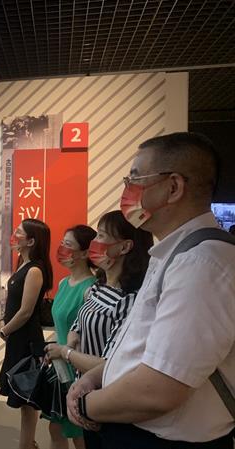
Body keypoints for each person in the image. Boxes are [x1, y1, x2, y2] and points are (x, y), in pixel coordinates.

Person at [67, 132, 235, 448]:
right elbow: (141, 348)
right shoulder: (172, 253)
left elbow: (159, 390)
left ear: (173, 187)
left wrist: (84, 405)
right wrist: (94, 378)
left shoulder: (201, 263)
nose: (127, 191)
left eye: (134, 180)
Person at [45, 211, 153, 449]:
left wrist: (66, 353)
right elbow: (76, 326)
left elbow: (111, 364)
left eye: (102, 236)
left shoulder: (129, 300)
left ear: (124, 247)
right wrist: (72, 344)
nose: (95, 242)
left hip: (108, 400)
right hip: (83, 393)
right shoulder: (98, 287)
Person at [0, 218, 54, 449]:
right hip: (18, 339)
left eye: (19, 232)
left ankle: (26, 444)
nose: (14, 234)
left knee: (27, 397)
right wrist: (5, 319)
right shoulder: (23, 263)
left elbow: (26, 311)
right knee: (24, 397)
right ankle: (28, 443)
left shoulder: (35, 270)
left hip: (27, 341)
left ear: (31, 241)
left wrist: (5, 330)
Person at [43, 225, 97, 449]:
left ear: (84, 253)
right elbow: (60, 326)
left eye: (68, 244)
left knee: (79, 433)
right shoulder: (63, 283)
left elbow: (89, 335)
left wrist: (66, 351)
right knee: (55, 427)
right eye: (62, 243)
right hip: (59, 367)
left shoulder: (91, 288)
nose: (62, 248)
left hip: (78, 368)